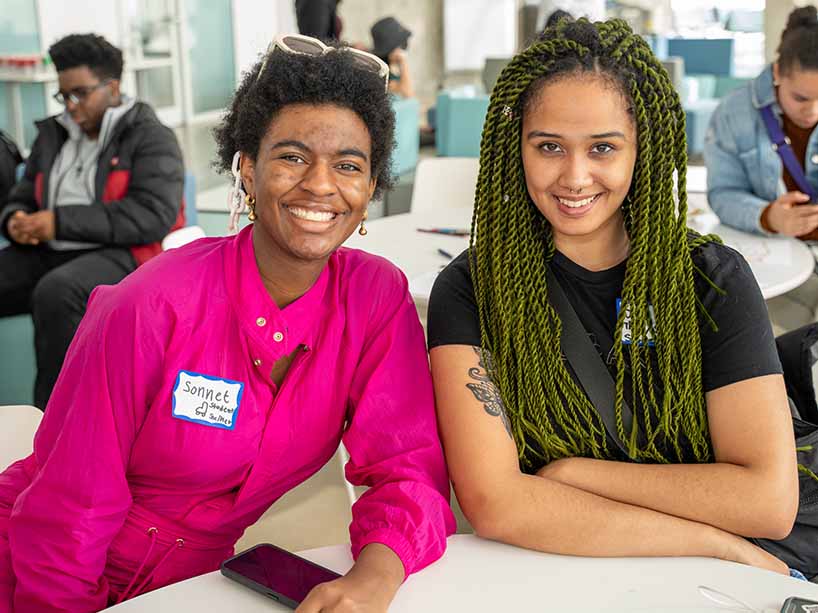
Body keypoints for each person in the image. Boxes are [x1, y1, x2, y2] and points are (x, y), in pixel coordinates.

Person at [0, 34, 455, 611]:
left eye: (348, 165)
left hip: (192, 587)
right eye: (292, 157)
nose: (320, 184)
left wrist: (371, 581)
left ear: (369, 189)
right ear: (247, 168)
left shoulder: (374, 298)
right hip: (43, 576)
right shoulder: (148, 304)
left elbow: (408, 470)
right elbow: (68, 512)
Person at [429, 17, 798, 577]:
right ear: (515, 147)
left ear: (639, 149)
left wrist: (575, 475)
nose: (575, 177)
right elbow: (495, 503)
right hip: (555, 573)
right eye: (549, 146)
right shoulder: (471, 289)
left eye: (603, 147)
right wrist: (716, 543)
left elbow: (769, 502)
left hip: (698, 583)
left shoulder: (710, 279)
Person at [0, 33, 185, 410]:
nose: (70, 106)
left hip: (123, 253)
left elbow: (152, 215)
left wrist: (58, 223)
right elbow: (23, 191)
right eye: (63, 95)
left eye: (80, 93)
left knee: (57, 292)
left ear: (112, 87)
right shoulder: (53, 135)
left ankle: (58, 420)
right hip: (49, 249)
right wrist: (14, 219)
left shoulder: (150, 137)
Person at [705, 7, 818, 331]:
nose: (812, 111)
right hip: (778, 259)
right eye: (801, 98)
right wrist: (768, 216)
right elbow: (722, 194)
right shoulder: (733, 113)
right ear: (778, 72)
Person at [371, 17, 414, 99]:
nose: (403, 49)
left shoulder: (392, 67)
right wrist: (403, 62)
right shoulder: (381, 73)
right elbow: (408, 93)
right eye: (400, 46)